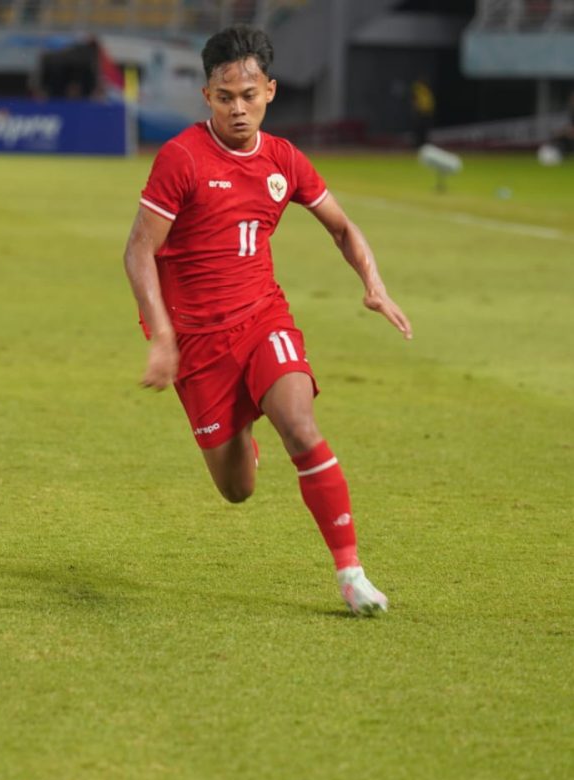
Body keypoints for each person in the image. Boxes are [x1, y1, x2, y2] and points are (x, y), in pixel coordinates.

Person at [123, 26, 413, 615]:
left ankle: (351, 574)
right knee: (237, 490)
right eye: (225, 96)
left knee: (300, 426)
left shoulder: (283, 159)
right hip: (198, 343)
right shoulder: (180, 158)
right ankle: (242, 439)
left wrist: (374, 285)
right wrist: (161, 337)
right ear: (206, 95)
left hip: (262, 319)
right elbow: (137, 251)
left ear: (271, 92)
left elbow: (341, 225)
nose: (238, 108)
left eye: (249, 95)